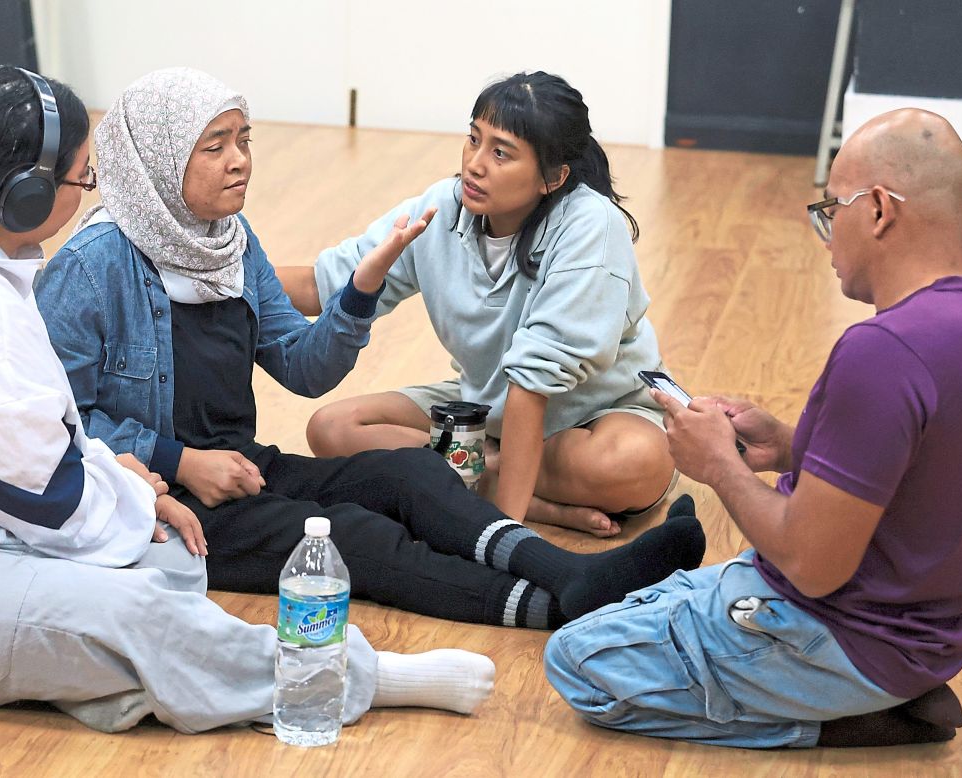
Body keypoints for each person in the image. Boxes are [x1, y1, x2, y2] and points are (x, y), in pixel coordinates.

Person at [0, 65, 499, 735]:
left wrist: (117, 476)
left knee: (172, 565)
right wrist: (139, 487)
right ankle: (350, 677)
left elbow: (38, 446)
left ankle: (134, 685)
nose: (92, 188)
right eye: (83, 176)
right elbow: (45, 498)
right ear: (27, 194)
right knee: (132, 609)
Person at [33, 68, 706, 632]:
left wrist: (359, 294)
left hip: (240, 467)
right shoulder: (90, 268)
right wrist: (181, 460)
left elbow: (304, 368)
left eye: (244, 140)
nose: (240, 160)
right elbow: (58, 429)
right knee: (353, 537)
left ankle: (570, 573)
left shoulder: (227, 243)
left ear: (551, 176)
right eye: (216, 146)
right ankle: (567, 602)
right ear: (157, 158)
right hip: (156, 498)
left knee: (409, 475)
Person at [544, 109, 962, 748]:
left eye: (831, 209)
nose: (825, 236)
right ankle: (879, 695)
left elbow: (809, 565)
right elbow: (936, 477)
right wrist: (790, 447)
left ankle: (841, 719)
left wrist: (718, 466)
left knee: (575, 659)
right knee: (639, 605)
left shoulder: (882, 350)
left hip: (837, 636)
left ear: (878, 210)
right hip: (927, 645)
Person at [279, 71, 675, 539]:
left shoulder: (591, 225)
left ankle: (478, 482)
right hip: (487, 414)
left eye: (501, 152)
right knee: (333, 428)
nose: (475, 164)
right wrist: (221, 271)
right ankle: (526, 496)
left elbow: (531, 385)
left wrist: (500, 536)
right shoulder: (442, 208)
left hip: (600, 417)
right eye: (473, 139)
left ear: (554, 177)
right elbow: (324, 284)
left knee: (628, 463)